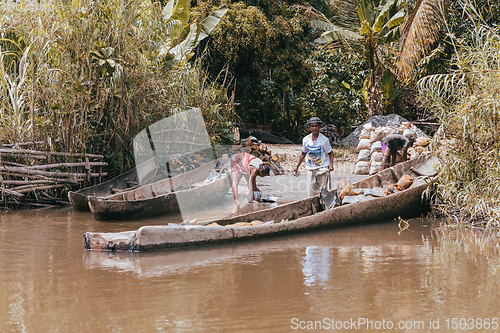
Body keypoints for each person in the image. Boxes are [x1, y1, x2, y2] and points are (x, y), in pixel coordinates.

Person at [293, 117, 334, 197]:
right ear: (309, 127)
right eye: (312, 126)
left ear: (319, 127)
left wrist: (331, 165)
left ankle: (326, 209)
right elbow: (303, 154)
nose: (314, 128)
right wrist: (297, 166)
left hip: (322, 169)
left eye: (316, 126)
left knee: (325, 193)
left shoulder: (324, 140)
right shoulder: (306, 140)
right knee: (312, 193)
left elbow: (331, 153)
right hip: (311, 169)